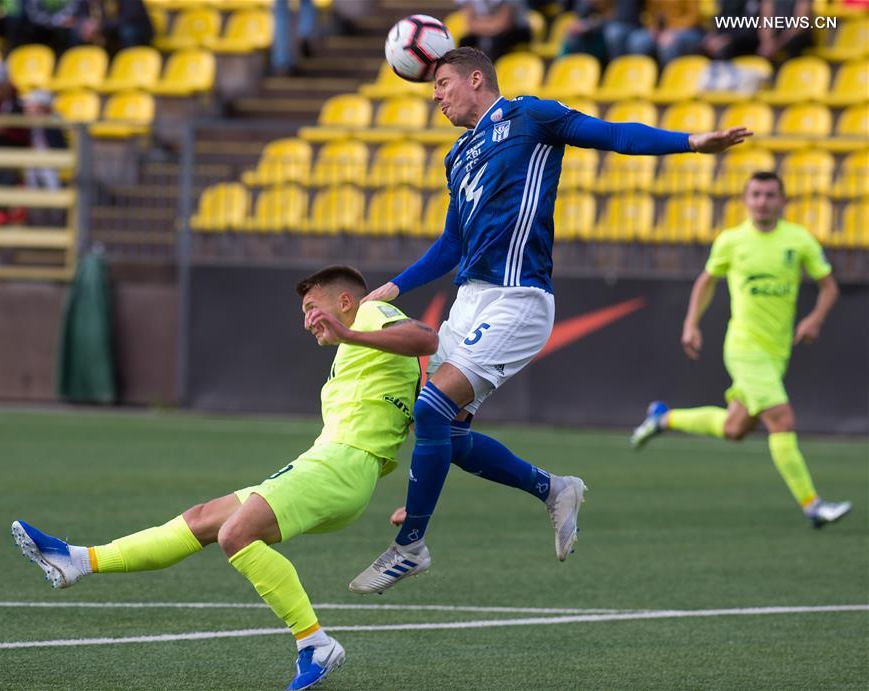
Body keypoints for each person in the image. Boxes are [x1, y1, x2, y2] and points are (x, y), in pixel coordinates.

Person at [348, 47, 752, 595]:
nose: (435, 95)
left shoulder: (530, 117)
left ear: (475, 78)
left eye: (442, 83)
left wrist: (690, 143)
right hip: (470, 299)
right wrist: (394, 286)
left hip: (519, 298)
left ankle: (410, 546)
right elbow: (451, 243)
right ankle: (554, 489)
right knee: (445, 431)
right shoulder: (459, 155)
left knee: (432, 406)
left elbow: (613, 134)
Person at [11, 265, 439, 691]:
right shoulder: (367, 343)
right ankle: (79, 561)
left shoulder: (369, 314)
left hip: (342, 465)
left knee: (236, 535)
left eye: (312, 306)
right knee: (202, 520)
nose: (306, 318)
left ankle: (316, 644)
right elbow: (422, 402)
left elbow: (425, 338)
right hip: (334, 465)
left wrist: (349, 333)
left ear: (344, 301)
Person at [630, 172, 851, 529]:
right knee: (781, 418)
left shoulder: (800, 240)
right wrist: (691, 323)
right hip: (744, 347)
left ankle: (663, 418)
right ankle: (814, 506)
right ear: (746, 200)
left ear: (782, 200)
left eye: (770, 195)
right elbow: (707, 280)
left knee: (735, 428)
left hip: (777, 351)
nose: (763, 201)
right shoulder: (732, 241)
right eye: (756, 194)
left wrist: (815, 319)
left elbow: (829, 286)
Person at [560, 0, 643, 64]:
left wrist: (591, 24)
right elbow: (581, 19)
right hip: (599, 38)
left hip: (625, 32)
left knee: (614, 33)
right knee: (574, 36)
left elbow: (624, 18)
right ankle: (565, 71)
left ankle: (618, 70)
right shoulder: (588, 5)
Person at [625, 0, 704, 66]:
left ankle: (670, 78)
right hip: (662, 29)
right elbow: (651, 13)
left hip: (688, 30)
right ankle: (643, 79)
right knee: (638, 41)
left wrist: (672, 31)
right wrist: (653, 28)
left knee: (667, 45)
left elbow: (693, 18)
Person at [456, 0, 533, 63]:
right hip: (489, 31)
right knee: (464, 42)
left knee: (495, 43)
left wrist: (481, 25)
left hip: (517, 31)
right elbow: (471, 25)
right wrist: (490, 26)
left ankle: (494, 76)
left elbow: (504, 24)